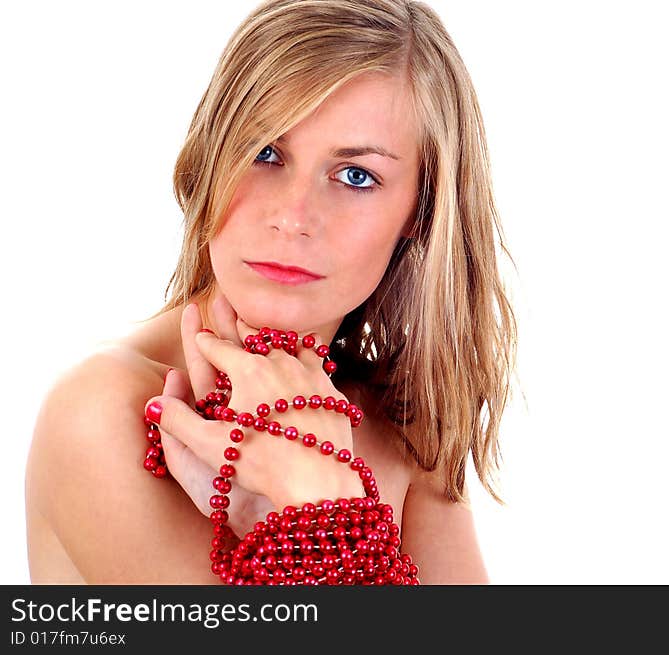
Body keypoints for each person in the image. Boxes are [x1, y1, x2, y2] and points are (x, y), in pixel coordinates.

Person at [25, 0, 517, 585]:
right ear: (211, 159)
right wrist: (328, 511)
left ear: (422, 208)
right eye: (264, 153)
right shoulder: (106, 411)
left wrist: (310, 508)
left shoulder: (403, 426)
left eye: (356, 175)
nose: (293, 216)